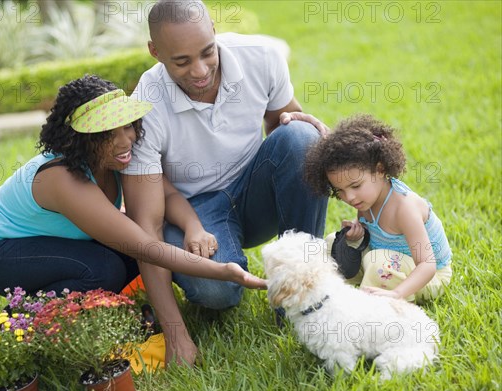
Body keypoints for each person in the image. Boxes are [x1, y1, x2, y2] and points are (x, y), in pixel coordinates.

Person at [121, 0, 329, 365]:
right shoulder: (145, 104)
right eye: (181, 62)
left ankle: (303, 291)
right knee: (217, 292)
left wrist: (311, 134)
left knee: (301, 137)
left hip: (252, 191)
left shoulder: (260, 57)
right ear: (155, 52)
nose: (200, 71)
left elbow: (285, 124)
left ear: (214, 31)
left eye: (207, 52)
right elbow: (147, 228)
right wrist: (175, 334)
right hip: (196, 214)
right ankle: (229, 270)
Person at [0, 74, 266, 297]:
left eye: (127, 127)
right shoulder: (63, 179)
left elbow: (168, 192)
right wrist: (224, 271)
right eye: (107, 134)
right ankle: (23, 318)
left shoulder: (118, 159)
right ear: (79, 138)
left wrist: (193, 227)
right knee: (103, 270)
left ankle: (99, 307)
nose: (125, 142)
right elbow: (146, 247)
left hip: (55, 240)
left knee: (127, 261)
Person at [305, 114, 453, 303]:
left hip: (427, 277)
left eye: (356, 186)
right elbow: (372, 237)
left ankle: (376, 303)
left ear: (380, 169)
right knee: (331, 242)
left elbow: (427, 265)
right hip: (390, 264)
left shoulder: (404, 208)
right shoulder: (366, 200)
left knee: (377, 262)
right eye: (340, 190)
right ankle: (330, 292)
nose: (349, 197)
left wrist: (397, 294)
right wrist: (357, 237)